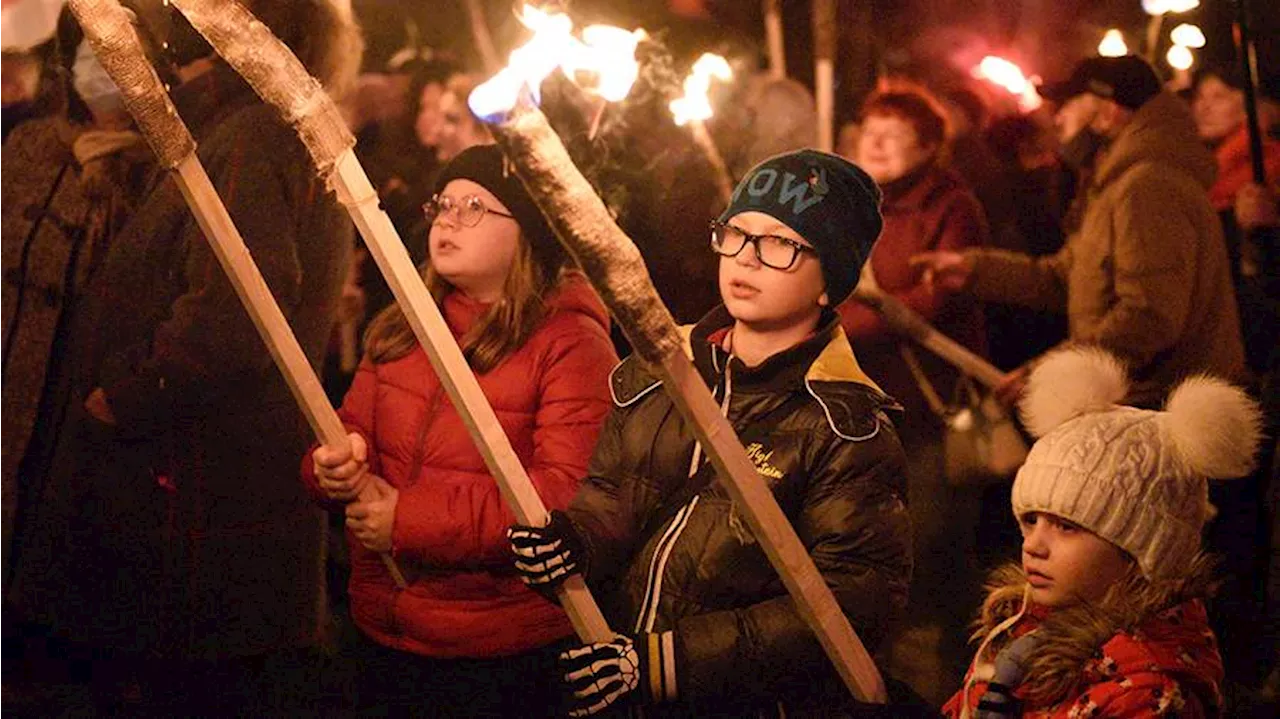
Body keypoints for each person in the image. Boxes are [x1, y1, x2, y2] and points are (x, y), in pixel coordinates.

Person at [8, 1, 361, 714]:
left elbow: (229, 318)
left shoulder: (250, 137)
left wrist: (121, 396)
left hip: (192, 495)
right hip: (200, 491)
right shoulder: (250, 131)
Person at [508, 149, 915, 716]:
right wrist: (573, 543)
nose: (746, 258)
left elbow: (849, 602)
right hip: (623, 688)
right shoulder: (660, 369)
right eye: (736, 234)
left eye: (780, 244)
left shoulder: (844, 428)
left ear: (831, 281)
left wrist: (668, 663)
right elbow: (612, 500)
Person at [304, 144, 618, 717]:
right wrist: (333, 466)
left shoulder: (569, 343)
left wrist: (408, 519)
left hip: (498, 641)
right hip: (384, 624)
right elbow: (351, 432)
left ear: (527, 232)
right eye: (444, 203)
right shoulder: (403, 326)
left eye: (475, 205)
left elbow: (564, 496)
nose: (448, 218)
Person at [943, 346, 1263, 718]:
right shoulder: (1019, 626)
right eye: (1031, 520)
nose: (1034, 545)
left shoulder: (1149, 692)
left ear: (1142, 551)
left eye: (1067, 527)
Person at [912, 55, 1246, 408]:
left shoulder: (1147, 186)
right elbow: (1068, 277)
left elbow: (1149, 316)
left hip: (1164, 411)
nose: (1058, 117)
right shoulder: (1117, 182)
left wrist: (1052, 372)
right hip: (1144, 405)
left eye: (1069, 104)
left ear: (1109, 111)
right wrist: (975, 269)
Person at [835, 84, 992, 703]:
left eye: (893, 132)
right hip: (864, 401)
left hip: (929, 404)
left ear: (928, 146)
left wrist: (840, 327)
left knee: (932, 542)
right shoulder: (850, 205)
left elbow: (936, 299)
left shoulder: (949, 206)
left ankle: (943, 678)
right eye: (869, 127)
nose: (874, 141)